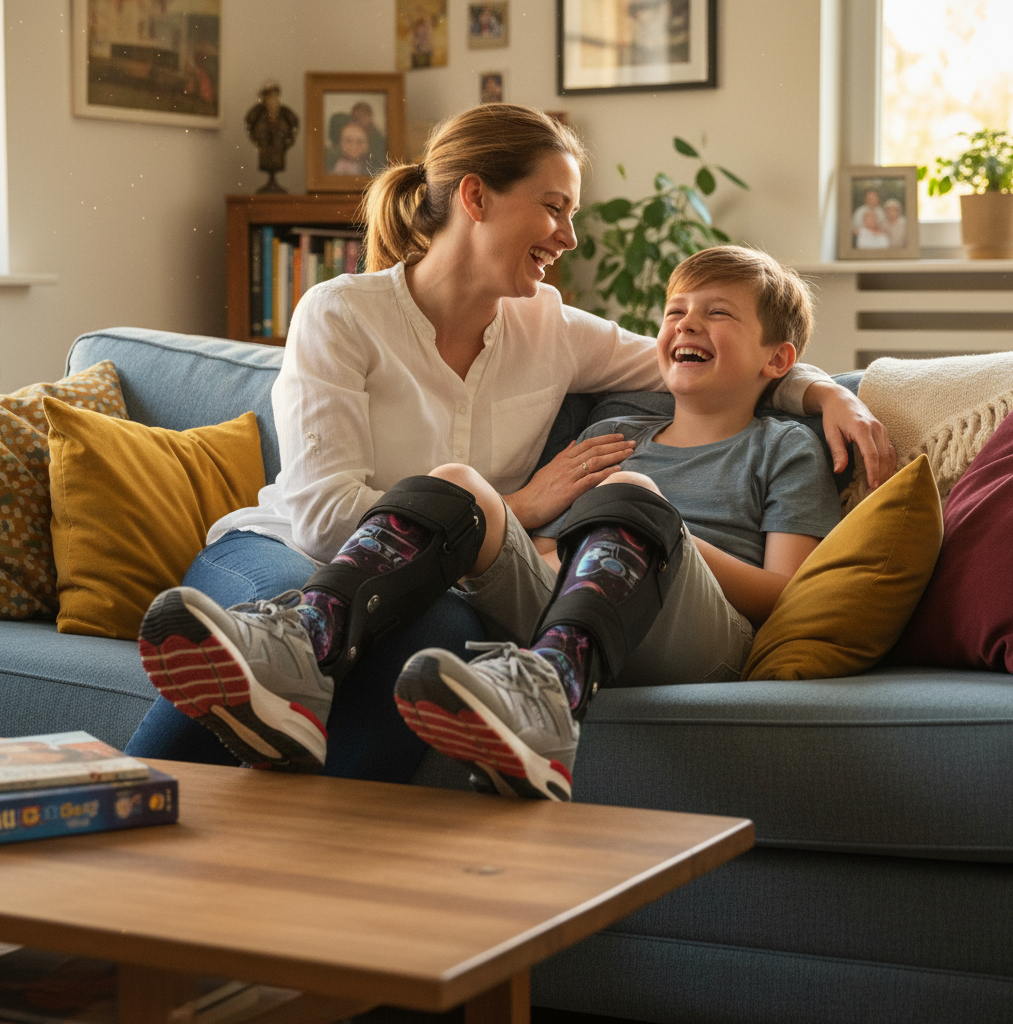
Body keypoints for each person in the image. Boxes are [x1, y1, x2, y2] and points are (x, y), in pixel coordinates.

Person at [127, 104, 894, 786]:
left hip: (466, 585)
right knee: (372, 564)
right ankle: (168, 763)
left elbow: (695, 367)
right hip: (288, 548)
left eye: (571, 212)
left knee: (435, 632)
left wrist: (827, 393)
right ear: (476, 198)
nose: (570, 235)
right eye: (554, 207)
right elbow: (323, 517)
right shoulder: (340, 314)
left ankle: (323, 832)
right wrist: (520, 509)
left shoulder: (550, 327)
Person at [392, 245, 841, 800]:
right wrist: (581, 551)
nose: (688, 323)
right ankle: (317, 634)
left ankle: (548, 695)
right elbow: (544, 551)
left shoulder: (786, 447)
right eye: (675, 311)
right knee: (455, 484)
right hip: (571, 607)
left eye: (718, 312)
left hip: (701, 639)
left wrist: (664, 537)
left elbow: (785, 594)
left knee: (631, 492)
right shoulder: (611, 438)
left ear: (776, 360)